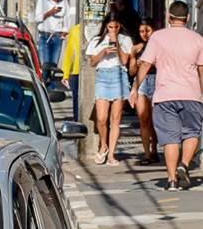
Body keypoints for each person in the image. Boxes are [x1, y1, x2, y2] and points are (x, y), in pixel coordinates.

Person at [133, 0, 203, 191]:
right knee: (192, 133)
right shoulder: (197, 39)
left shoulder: (157, 38)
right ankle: (185, 164)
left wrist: (135, 88)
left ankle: (172, 180)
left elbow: (145, 65)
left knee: (170, 138)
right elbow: (201, 70)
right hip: (191, 94)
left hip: (164, 95)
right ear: (188, 18)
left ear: (168, 17)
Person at [87, 15, 134, 164]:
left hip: (119, 75)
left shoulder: (125, 40)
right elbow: (92, 62)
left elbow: (125, 61)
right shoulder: (97, 40)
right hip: (103, 76)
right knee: (101, 118)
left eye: (116, 27)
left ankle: (112, 154)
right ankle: (104, 146)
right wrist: (103, 51)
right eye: (110, 27)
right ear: (105, 26)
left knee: (116, 118)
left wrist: (118, 45)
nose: (113, 30)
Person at [129, 18, 160, 164]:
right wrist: (134, 57)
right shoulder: (137, 47)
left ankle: (155, 149)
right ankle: (147, 154)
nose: (144, 34)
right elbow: (132, 71)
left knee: (155, 120)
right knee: (143, 119)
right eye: (141, 31)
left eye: (147, 30)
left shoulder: (158, 46)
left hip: (156, 80)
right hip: (141, 82)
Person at [34, 0, 71, 83]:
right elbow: (37, 19)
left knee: (53, 64)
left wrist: (64, 32)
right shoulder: (42, 1)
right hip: (44, 35)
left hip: (57, 36)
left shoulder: (64, 3)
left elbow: (67, 18)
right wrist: (50, 12)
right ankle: (44, 84)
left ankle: (50, 84)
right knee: (45, 64)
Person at [59, 20, 85, 123]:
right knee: (76, 99)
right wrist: (65, 74)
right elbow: (69, 53)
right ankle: (77, 122)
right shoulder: (75, 30)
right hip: (76, 71)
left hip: (96, 71)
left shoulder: (102, 30)